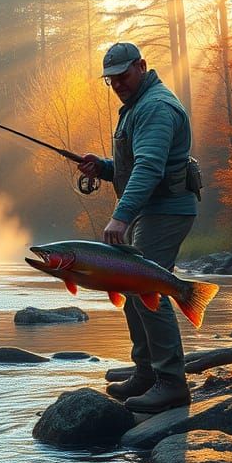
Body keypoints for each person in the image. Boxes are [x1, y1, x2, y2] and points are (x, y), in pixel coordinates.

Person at [77, 42, 197, 414]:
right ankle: (147, 374)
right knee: (132, 288)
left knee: (148, 288)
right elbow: (136, 163)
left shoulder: (156, 107)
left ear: (141, 66)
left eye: (123, 76)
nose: (117, 83)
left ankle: (171, 384)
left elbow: (150, 168)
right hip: (151, 209)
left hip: (164, 211)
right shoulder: (138, 106)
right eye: (110, 79)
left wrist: (121, 216)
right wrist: (105, 167)